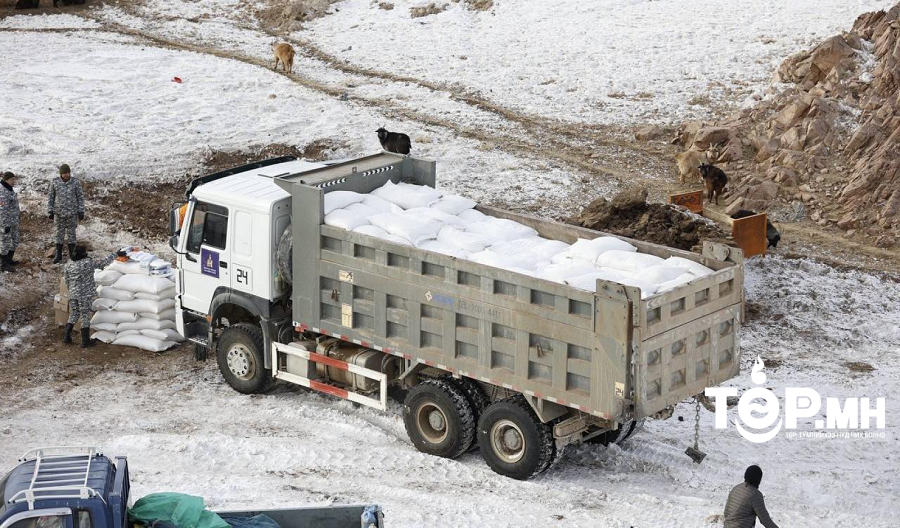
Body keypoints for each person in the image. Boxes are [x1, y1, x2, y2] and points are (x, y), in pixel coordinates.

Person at [63, 246, 129, 347]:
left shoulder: (69, 264)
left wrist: (71, 291)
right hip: (84, 294)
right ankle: (85, 341)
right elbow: (102, 263)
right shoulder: (87, 263)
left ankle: (66, 336)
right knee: (84, 315)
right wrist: (116, 254)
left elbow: (66, 279)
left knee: (74, 313)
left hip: (73, 293)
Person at [48, 163, 85, 264]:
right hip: (59, 213)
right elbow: (51, 197)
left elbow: (80, 197)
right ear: (61, 174)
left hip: (72, 213)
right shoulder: (55, 182)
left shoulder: (75, 182)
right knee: (59, 234)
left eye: (68, 173)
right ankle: (58, 255)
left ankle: (72, 255)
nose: (66, 175)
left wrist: (81, 210)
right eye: (64, 173)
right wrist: (50, 210)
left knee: (71, 234)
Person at [1, 172, 21, 273]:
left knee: (15, 240)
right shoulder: (2, 191)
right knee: (5, 242)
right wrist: (5, 225)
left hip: (14, 221)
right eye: (12, 179)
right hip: (6, 223)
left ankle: (9, 260)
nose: (14, 181)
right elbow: (2, 210)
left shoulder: (9, 188)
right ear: (6, 179)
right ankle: (3, 264)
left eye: (14, 179)